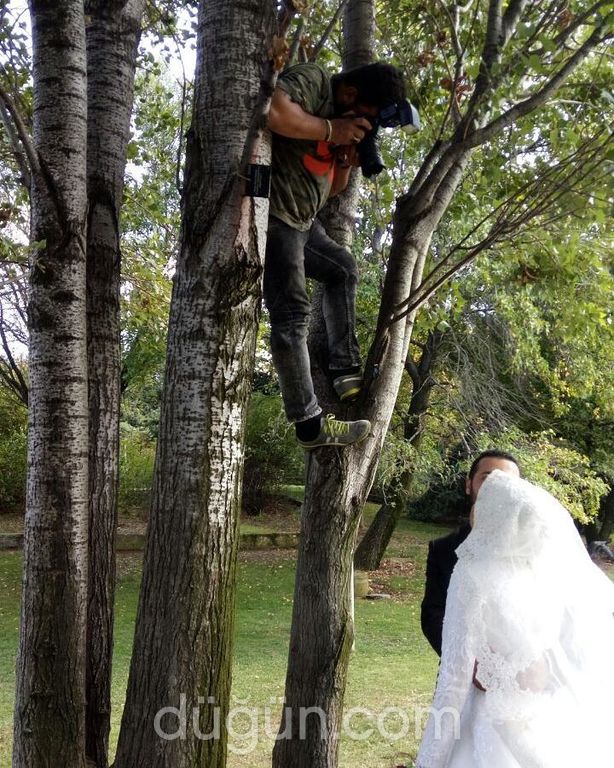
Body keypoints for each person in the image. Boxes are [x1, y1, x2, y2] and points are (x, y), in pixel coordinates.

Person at [415, 470, 614, 767]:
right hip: (546, 714)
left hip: (487, 714)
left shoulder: (470, 574)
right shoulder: (542, 573)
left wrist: (430, 758)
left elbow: (454, 678)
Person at [265, 61, 406, 449]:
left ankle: (344, 369)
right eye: (368, 118)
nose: (368, 126)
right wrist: (332, 129)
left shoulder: (341, 117)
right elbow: (275, 112)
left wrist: (345, 156)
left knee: (342, 268)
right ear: (350, 94)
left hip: (303, 223)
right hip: (273, 217)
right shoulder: (315, 82)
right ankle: (309, 425)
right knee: (292, 314)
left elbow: (333, 190)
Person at [421, 450, 520, 655]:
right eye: (488, 478)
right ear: (469, 485)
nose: (497, 487)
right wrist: (468, 660)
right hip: (462, 671)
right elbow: (433, 615)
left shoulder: (531, 546)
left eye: (507, 482)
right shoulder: (443, 549)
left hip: (523, 673)